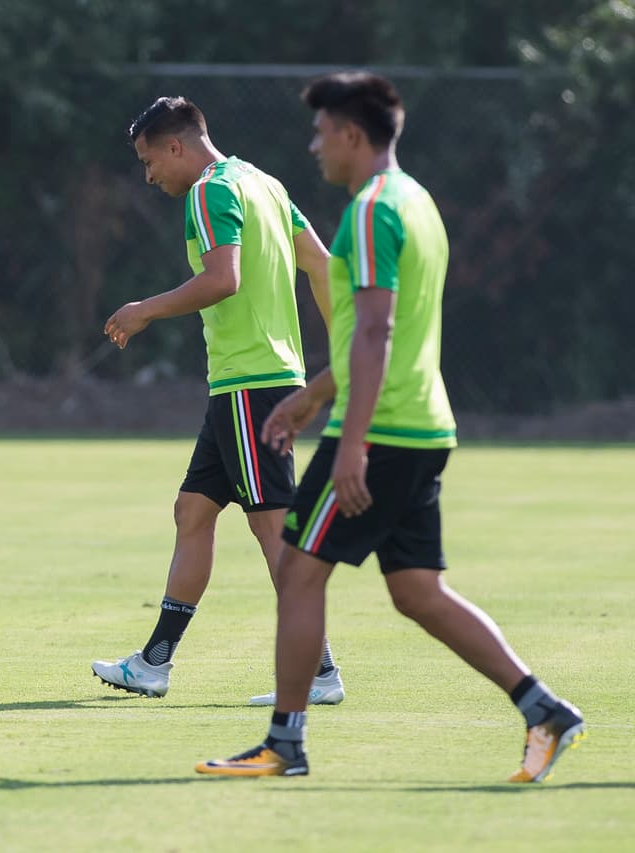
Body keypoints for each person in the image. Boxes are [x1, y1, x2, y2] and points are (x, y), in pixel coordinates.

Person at [197, 72, 584, 781]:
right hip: (426, 426)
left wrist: (349, 443)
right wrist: (313, 396)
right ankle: (545, 709)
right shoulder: (418, 202)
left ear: (352, 135)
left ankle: (285, 742)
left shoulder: (371, 210)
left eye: (321, 133)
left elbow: (374, 334)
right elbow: (382, 331)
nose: (313, 147)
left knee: (298, 572)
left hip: (383, 432)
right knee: (416, 591)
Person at [91, 96, 340, 705]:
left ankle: (320, 672)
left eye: (150, 162)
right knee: (193, 512)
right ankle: (154, 662)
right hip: (251, 383)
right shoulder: (265, 184)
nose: (150, 177)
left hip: (250, 386)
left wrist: (143, 309)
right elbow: (321, 266)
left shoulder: (209, 191)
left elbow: (221, 279)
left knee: (272, 529)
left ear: (176, 146)